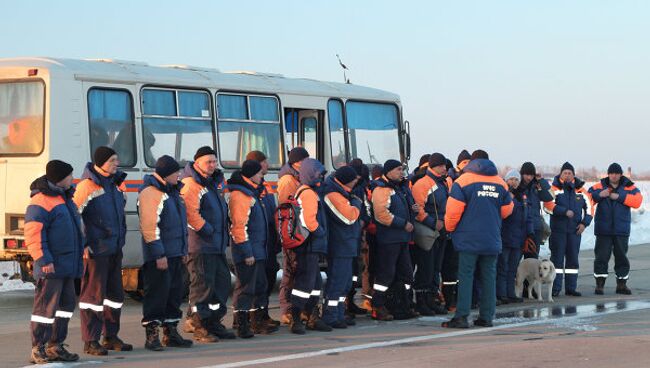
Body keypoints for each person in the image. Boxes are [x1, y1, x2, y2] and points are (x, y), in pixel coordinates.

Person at [442, 150, 513, 328]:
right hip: (491, 238)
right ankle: (486, 317)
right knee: (489, 277)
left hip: (468, 239)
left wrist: (450, 229)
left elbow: (453, 212)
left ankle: (462, 316)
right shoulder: (501, 183)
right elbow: (507, 210)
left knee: (466, 276)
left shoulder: (463, 181)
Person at [73, 146, 132, 355]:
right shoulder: (86, 187)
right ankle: (91, 340)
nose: (117, 163)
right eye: (112, 160)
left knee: (115, 295)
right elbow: (74, 217)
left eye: (116, 159)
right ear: (100, 163)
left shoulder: (116, 185)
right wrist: (83, 245)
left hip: (115, 249)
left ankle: (110, 336)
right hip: (96, 251)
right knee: (93, 298)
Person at [25, 160, 83, 364]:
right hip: (51, 265)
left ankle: (55, 346)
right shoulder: (41, 200)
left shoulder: (65, 198)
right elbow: (33, 234)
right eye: (69, 175)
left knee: (65, 306)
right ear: (60, 178)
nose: (72, 179)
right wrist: (43, 259)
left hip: (67, 265)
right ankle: (38, 347)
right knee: (45, 310)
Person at [138, 155, 193, 351]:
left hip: (175, 254)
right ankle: (152, 335)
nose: (178, 175)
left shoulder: (173, 193)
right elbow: (149, 227)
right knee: (156, 295)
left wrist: (183, 250)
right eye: (175, 172)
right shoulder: (151, 193)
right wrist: (158, 254)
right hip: (160, 257)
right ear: (165, 174)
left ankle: (171, 332)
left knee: (174, 294)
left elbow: (181, 226)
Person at [181, 146, 234, 342]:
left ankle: (213, 322)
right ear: (197, 164)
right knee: (202, 287)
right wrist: (208, 229)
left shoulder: (214, 183)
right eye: (208, 162)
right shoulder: (191, 184)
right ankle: (199, 325)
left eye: (214, 161)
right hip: (200, 245)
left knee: (221, 283)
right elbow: (190, 213)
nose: (212, 165)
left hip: (216, 245)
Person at [228, 160, 279, 338]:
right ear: (251, 175)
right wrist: (247, 252)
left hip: (258, 250)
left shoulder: (251, 193)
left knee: (259, 286)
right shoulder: (241, 196)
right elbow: (239, 228)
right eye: (259, 173)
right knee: (246, 288)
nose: (261, 176)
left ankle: (257, 321)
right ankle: (242, 324)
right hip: (249, 253)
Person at [288, 158, 332, 334]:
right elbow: (309, 220)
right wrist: (320, 233)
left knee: (314, 283)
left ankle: (312, 316)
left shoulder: (307, 191)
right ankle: (297, 318)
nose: (321, 176)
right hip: (309, 245)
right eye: (319, 173)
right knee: (305, 283)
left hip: (310, 245)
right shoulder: (308, 193)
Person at [370, 159, 418, 321]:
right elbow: (381, 214)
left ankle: (403, 304)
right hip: (389, 240)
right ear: (388, 171)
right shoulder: (382, 189)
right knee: (386, 275)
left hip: (402, 239)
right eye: (398, 169)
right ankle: (378, 306)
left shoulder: (399, 188)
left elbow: (403, 208)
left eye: (402, 169)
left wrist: (413, 211)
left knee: (406, 274)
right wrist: (403, 223)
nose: (401, 172)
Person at [589, 163, 643, 295]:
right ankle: (600, 285)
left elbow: (638, 201)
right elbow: (587, 198)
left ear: (620, 174)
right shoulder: (599, 186)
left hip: (621, 230)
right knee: (601, 258)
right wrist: (600, 195)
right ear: (608, 174)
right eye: (611, 173)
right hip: (603, 230)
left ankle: (621, 285)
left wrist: (619, 197)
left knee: (621, 258)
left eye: (616, 173)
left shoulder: (629, 187)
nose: (614, 175)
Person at [321, 166, 362, 328]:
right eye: (353, 180)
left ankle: (338, 314)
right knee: (337, 282)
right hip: (339, 245)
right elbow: (349, 217)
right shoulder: (333, 194)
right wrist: (356, 204)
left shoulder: (342, 193)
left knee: (344, 283)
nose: (355, 183)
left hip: (347, 243)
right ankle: (330, 315)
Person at [544, 162, 593, 297]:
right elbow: (547, 206)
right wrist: (563, 211)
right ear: (560, 174)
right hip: (558, 232)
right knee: (557, 261)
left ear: (573, 175)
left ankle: (571, 288)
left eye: (569, 173)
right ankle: (555, 288)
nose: (567, 175)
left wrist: (584, 224)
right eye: (564, 173)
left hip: (574, 232)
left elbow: (590, 210)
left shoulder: (581, 191)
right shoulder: (553, 188)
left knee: (572, 261)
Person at [245, 151, 281, 328]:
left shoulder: (264, 185)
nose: (267, 165)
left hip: (269, 242)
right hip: (258, 243)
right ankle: (253, 318)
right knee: (256, 283)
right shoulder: (248, 190)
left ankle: (263, 314)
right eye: (265, 163)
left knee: (268, 277)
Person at [410, 153, 449, 315]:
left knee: (435, 268)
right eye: (441, 165)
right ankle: (422, 301)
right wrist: (433, 223)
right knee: (426, 268)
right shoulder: (423, 184)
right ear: (432, 167)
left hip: (441, 232)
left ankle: (431, 300)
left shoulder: (443, 183)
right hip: (428, 232)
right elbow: (417, 209)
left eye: (444, 165)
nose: (444, 168)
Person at [278, 147, 310, 324]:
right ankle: (287, 309)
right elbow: (287, 208)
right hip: (292, 233)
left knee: (296, 271)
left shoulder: (297, 177)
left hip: (299, 232)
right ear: (297, 162)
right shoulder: (288, 180)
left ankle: (298, 308)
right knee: (289, 272)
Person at [496, 170, 533, 304]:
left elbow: (528, 216)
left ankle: (510, 293)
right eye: (511, 179)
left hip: (519, 238)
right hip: (505, 236)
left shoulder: (522, 196)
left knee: (513, 268)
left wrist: (530, 232)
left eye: (516, 179)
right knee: (502, 267)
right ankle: (501, 293)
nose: (514, 182)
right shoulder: (503, 194)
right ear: (506, 180)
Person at [519, 162, 554, 258]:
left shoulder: (537, 187)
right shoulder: (517, 186)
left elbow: (550, 197)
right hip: (520, 228)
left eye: (531, 175)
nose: (529, 178)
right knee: (514, 261)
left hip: (535, 228)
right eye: (526, 174)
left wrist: (541, 181)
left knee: (533, 261)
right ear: (522, 174)